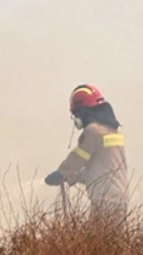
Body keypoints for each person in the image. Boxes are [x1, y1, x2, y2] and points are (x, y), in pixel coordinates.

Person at [44, 84, 129, 217]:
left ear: (81, 111)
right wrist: (71, 178)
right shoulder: (113, 131)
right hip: (120, 198)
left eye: (75, 114)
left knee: (98, 237)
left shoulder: (93, 131)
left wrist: (62, 172)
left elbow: (79, 157)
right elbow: (98, 170)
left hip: (103, 200)